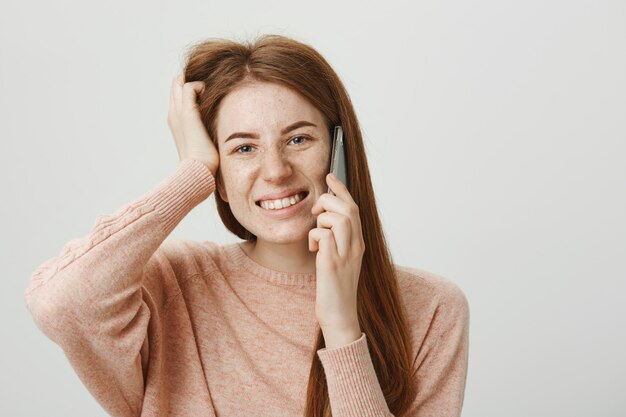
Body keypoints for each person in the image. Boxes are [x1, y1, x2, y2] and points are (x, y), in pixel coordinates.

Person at [24, 34, 470, 417]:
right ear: (218, 175)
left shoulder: (430, 309)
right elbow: (62, 302)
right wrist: (193, 171)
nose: (275, 171)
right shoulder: (174, 284)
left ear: (340, 151)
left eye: (298, 139)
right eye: (243, 149)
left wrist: (340, 324)